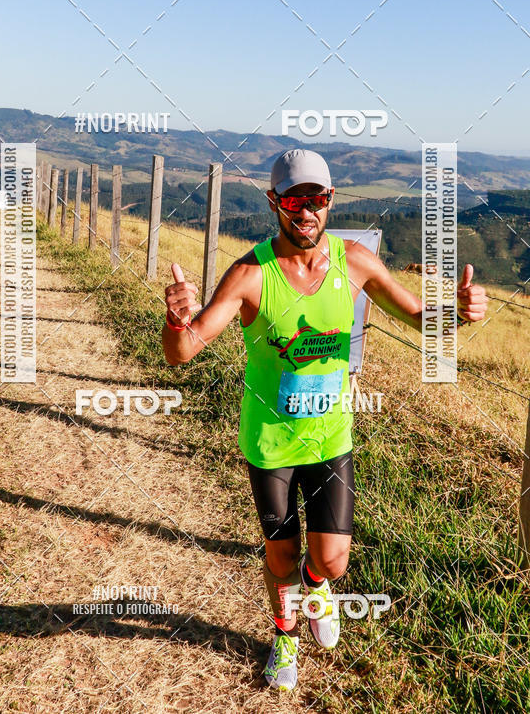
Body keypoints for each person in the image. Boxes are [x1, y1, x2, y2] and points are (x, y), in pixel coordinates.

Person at [161, 148, 487, 691]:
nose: (307, 210)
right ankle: (284, 634)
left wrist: (457, 312)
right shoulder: (248, 274)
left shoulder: (354, 260)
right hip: (270, 444)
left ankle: (318, 591)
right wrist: (175, 320)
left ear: (330, 201)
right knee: (282, 555)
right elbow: (181, 352)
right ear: (275, 203)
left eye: (318, 199)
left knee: (331, 563)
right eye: (295, 199)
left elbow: (417, 318)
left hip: (331, 438)